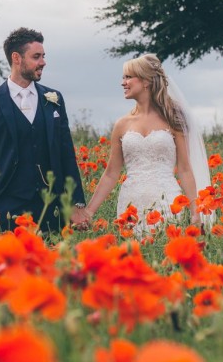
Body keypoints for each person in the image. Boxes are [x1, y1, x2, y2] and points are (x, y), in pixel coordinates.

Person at [77, 54, 210, 235]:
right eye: (123, 77)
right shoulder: (122, 125)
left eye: (128, 77)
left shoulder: (173, 119)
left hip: (168, 202)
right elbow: (111, 173)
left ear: (146, 81)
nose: (122, 82)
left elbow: (185, 169)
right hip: (130, 205)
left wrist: (195, 211)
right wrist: (89, 212)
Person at [0, 27, 88, 233]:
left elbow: (66, 153)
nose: (43, 62)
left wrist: (76, 203)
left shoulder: (54, 98)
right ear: (16, 58)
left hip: (51, 208)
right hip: (6, 208)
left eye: (43, 56)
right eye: (36, 57)